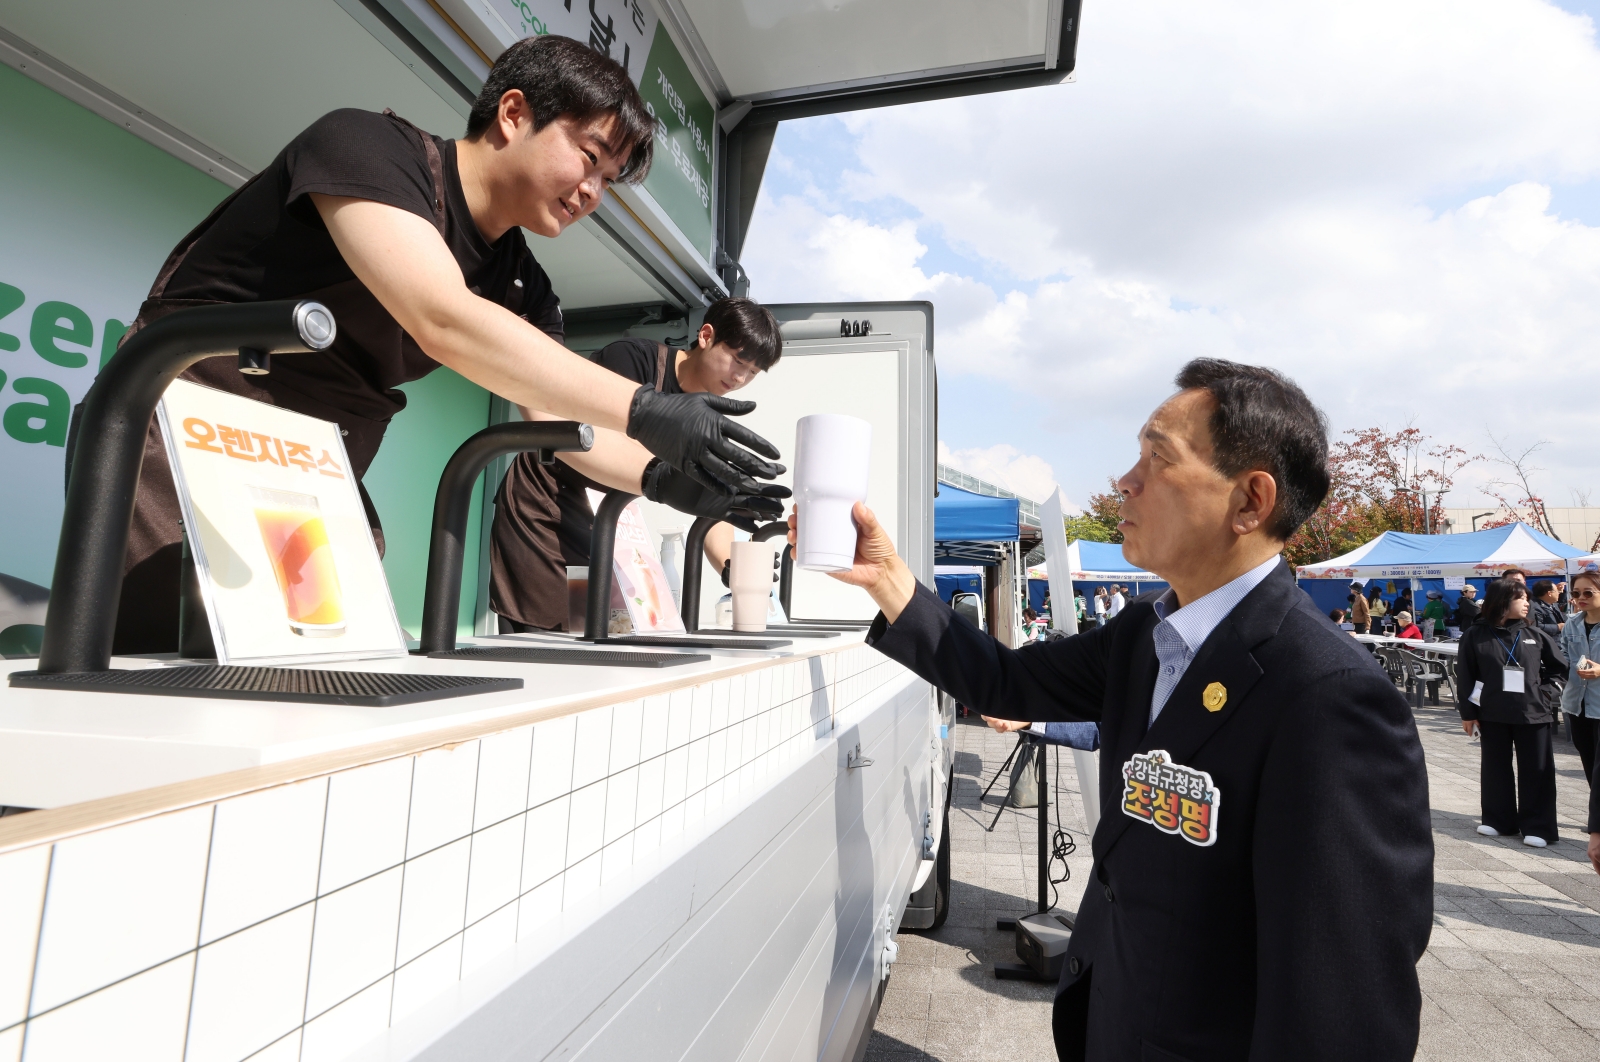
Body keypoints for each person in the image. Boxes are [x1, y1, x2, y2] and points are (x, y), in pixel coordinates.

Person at [795, 358, 1432, 1060]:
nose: (1125, 481)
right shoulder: (1142, 634)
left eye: (1158, 458)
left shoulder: (1328, 694)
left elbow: (1342, 1000)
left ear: (1251, 501)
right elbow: (1005, 682)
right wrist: (887, 579)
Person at [103, 36, 782, 652]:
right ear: (513, 113)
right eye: (590, 156)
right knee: (162, 669)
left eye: (608, 179)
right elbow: (441, 315)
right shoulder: (367, 147)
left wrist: (663, 480)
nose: (592, 192)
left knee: (326, 668)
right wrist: (645, 408)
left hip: (310, 467)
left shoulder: (526, 289)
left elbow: (557, 425)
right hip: (188, 428)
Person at [489, 297, 785, 631]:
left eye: (753, 372)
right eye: (737, 360)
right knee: (543, 635)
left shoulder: (708, 415)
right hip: (545, 506)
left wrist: (730, 565)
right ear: (705, 336)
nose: (740, 377)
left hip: (605, 523)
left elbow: (709, 501)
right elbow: (596, 439)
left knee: (591, 633)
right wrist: (665, 478)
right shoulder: (633, 360)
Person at [1456, 578, 1566, 847]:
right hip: (1491, 712)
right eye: (1521, 598)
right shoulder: (1475, 634)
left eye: (1528, 598)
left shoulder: (1534, 634)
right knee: (1495, 768)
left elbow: (1559, 669)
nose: (1527, 603)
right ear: (1503, 601)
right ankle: (1498, 820)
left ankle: (1538, 827)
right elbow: (1466, 675)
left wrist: (1547, 693)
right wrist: (1468, 714)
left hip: (1533, 713)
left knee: (1537, 770)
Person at [1560, 572, 1600, 877]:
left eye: (1588, 592)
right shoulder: (1572, 623)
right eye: (1576, 593)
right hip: (1577, 705)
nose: (1581, 598)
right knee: (1590, 770)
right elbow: (1563, 655)